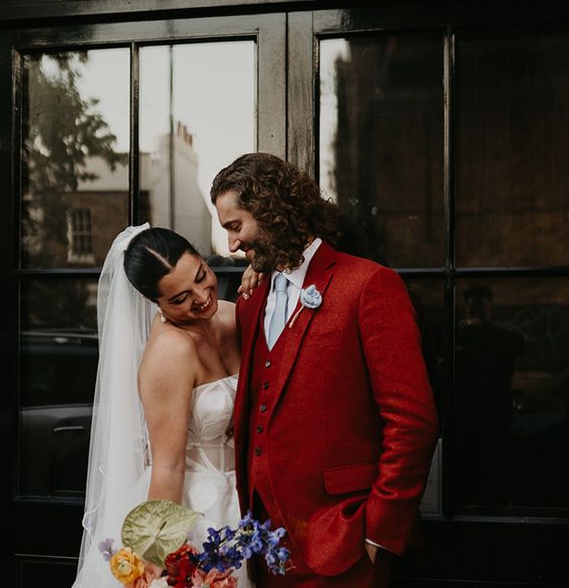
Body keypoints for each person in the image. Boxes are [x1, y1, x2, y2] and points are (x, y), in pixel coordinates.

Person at [211, 153, 439, 587]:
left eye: (235, 226)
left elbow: (412, 421)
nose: (232, 247)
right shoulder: (251, 297)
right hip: (261, 546)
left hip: (345, 541)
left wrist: (380, 531)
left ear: (271, 210)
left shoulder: (369, 285)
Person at [73, 224, 251, 588]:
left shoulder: (233, 316)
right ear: (156, 303)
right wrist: (164, 558)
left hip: (252, 499)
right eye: (180, 298)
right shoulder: (170, 353)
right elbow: (167, 467)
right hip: (199, 510)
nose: (201, 297)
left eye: (202, 276)